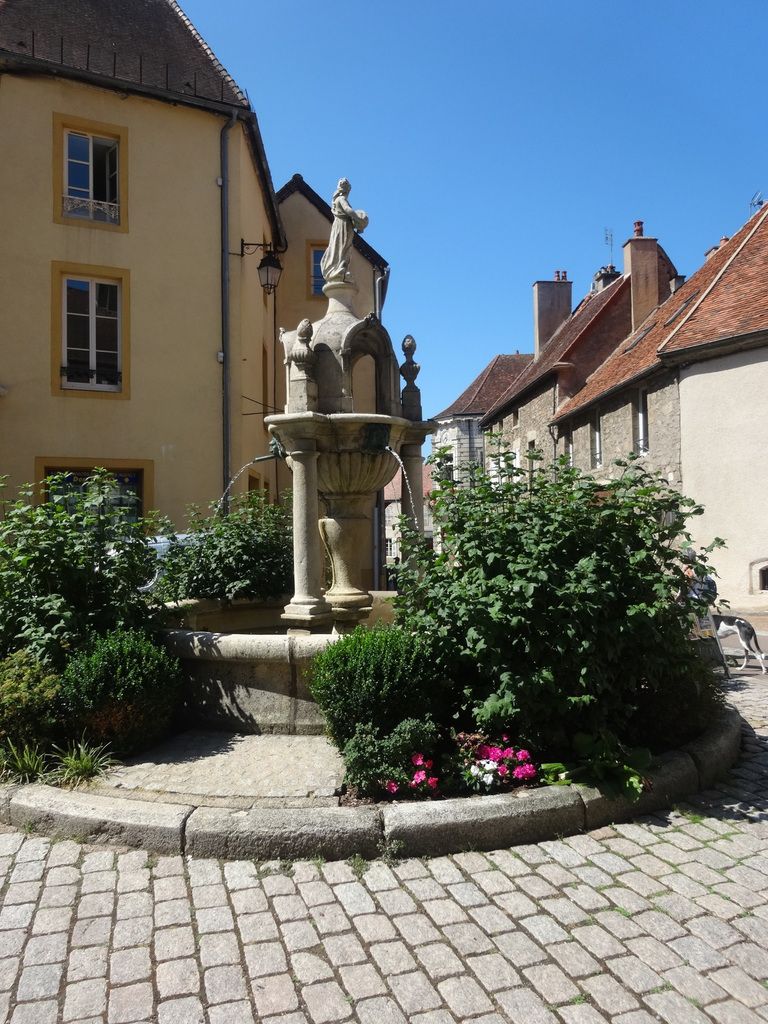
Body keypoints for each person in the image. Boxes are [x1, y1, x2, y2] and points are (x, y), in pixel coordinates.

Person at [320, 179, 368, 286]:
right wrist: (359, 219)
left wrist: (357, 223)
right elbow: (348, 210)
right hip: (343, 226)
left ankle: (340, 269)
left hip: (342, 225)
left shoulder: (337, 199)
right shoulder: (341, 199)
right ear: (347, 190)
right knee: (343, 247)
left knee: (342, 247)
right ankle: (339, 269)